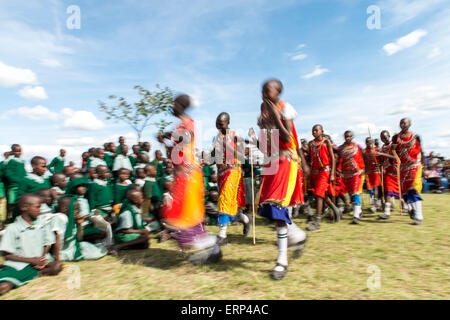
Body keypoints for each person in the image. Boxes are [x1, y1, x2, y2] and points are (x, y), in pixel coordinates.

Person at [252, 79, 308, 280]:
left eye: (268, 91)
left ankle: (281, 261)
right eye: (262, 91)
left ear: (278, 92)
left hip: (286, 160)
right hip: (271, 161)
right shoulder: (262, 112)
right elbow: (267, 144)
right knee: (267, 209)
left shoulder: (284, 108)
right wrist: (255, 141)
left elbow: (286, 139)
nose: (264, 94)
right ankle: (297, 235)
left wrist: (275, 115)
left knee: (277, 209)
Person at [158, 94, 222, 265]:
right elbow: (174, 151)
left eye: (174, 103)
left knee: (182, 217)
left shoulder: (187, 123)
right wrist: (166, 140)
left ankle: (212, 244)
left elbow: (183, 143)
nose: (172, 106)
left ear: (180, 105)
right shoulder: (181, 124)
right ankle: (211, 248)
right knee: (179, 217)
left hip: (187, 175)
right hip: (183, 175)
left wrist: (170, 136)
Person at [0, 194, 62, 295]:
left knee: (58, 266)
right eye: (37, 207)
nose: (40, 210)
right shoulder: (13, 228)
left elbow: (46, 244)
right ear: (24, 207)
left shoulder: (40, 225)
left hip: (36, 264)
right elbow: (6, 255)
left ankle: (39, 273)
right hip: (18, 266)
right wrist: (32, 260)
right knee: (4, 287)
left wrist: (41, 258)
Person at [213, 112, 249, 245]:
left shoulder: (235, 135)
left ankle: (222, 236)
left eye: (221, 123)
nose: (218, 126)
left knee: (224, 200)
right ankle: (244, 219)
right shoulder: (216, 138)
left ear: (228, 123)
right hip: (221, 173)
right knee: (228, 204)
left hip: (233, 171)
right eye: (217, 123)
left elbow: (242, 154)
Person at [54, 196, 108, 261]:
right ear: (64, 209)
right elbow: (57, 240)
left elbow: (79, 238)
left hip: (73, 246)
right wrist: (57, 259)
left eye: (78, 209)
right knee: (93, 252)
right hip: (63, 251)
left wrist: (79, 224)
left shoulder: (72, 220)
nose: (78, 212)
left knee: (93, 248)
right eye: (75, 209)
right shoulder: (60, 218)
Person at [306, 125, 340, 231]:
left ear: (322, 131)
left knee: (319, 195)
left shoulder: (326, 142)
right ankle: (335, 210)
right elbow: (308, 158)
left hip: (324, 172)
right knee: (322, 195)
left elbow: (333, 159)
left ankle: (317, 222)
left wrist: (333, 174)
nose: (314, 132)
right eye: (313, 131)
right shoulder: (311, 144)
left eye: (316, 130)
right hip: (314, 173)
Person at [392, 118, 424, 225]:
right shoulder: (396, 137)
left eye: (404, 122)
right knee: (404, 193)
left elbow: (421, 151)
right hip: (402, 168)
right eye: (401, 122)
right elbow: (393, 152)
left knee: (412, 189)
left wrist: (423, 166)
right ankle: (411, 209)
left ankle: (419, 216)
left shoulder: (415, 137)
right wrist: (395, 161)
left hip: (414, 166)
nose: (402, 124)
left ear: (410, 124)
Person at [337, 131, 366, 224]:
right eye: (346, 136)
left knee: (355, 192)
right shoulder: (340, 148)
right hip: (346, 174)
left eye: (349, 136)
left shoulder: (358, 147)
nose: (348, 138)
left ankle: (355, 217)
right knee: (350, 194)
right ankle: (359, 211)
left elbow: (364, 155)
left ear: (352, 137)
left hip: (356, 173)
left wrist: (363, 168)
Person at [376, 130, 400, 219]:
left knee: (402, 192)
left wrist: (382, 154)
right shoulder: (383, 147)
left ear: (389, 136)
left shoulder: (393, 145)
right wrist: (379, 164)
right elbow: (383, 161)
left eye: (385, 137)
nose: (384, 139)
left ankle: (409, 208)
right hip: (388, 172)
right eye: (382, 138)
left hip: (396, 171)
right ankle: (387, 212)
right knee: (388, 191)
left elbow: (396, 158)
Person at [4, 145, 27, 217]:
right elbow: (8, 173)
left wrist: (26, 178)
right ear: (13, 152)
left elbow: (24, 172)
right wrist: (17, 180)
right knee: (12, 203)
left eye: (20, 151)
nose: (19, 153)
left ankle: (17, 217)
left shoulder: (22, 162)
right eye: (16, 151)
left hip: (21, 186)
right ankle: (9, 217)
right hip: (13, 186)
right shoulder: (11, 161)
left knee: (21, 202)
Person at [364, 137, 382, 213]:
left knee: (376, 188)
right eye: (367, 142)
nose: (369, 143)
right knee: (370, 189)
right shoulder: (364, 151)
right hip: (369, 172)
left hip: (376, 172)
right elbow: (364, 161)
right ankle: (375, 204)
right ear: (365, 143)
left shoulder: (376, 150)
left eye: (370, 142)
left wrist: (379, 164)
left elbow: (381, 159)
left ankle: (375, 205)